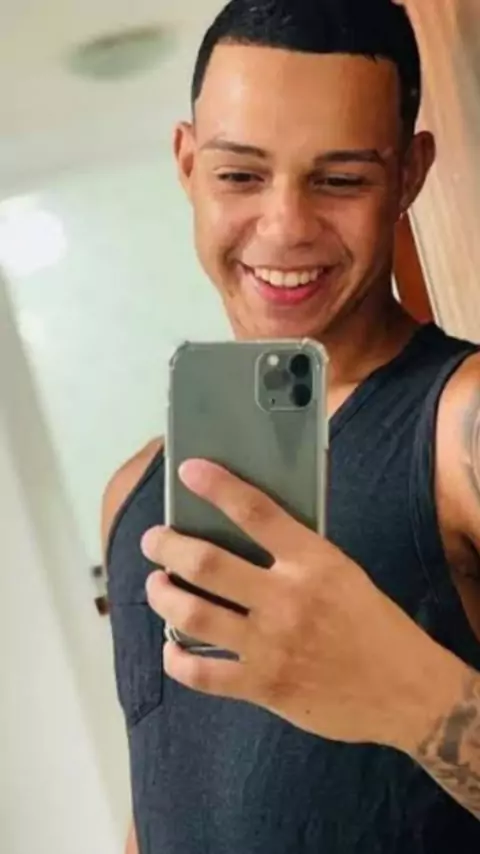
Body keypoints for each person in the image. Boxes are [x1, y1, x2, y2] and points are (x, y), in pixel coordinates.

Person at [103, 1, 480, 852]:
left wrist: (407, 697)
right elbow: (159, 803)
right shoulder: (132, 495)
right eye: (241, 175)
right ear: (188, 164)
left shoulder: (461, 428)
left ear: (410, 175)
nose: (285, 228)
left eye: (340, 180)